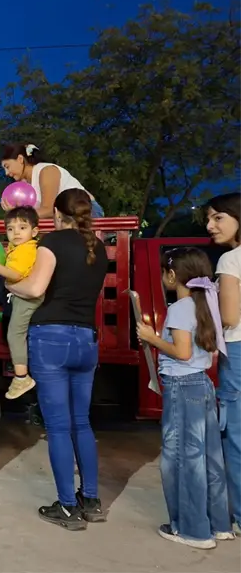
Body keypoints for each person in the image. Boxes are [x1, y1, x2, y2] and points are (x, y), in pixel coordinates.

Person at [7, 188, 108, 530]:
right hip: (86, 340)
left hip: (52, 338)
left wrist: (12, 286)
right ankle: (90, 500)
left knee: (59, 427)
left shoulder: (53, 243)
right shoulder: (99, 248)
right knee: (82, 422)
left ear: (57, 215)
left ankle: (67, 506)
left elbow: (35, 289)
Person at [136, 247, 232, 549]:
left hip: (182, 385)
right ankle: (219, 525)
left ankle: (192, 530)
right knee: (209, 458)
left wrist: (152, 338)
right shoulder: (205, 303)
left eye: (166, 271)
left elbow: (182, 352)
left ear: (173, 275)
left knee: (182, 459)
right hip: (202, 385)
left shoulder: (180, 308)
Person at [0, 206, 41, 399]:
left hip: (26, 297)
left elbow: (15, 273)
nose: (16, 233)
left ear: (34, 231)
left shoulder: (26, 251)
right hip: (22, 295)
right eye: (11, 229)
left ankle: (22, 377)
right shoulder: (20, 248)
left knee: (15, 334)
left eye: (22, 228)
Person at [205, 192, 241, 534]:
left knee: (235, 435)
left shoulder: (230, 261)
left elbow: (229, 317)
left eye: (218, 218)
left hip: (238, 349)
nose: (210, 225)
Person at [0, 143, 103, 219]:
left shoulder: (46, 171)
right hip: (64, 219)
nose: (6, 173)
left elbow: (49, 210)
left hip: (85, 211)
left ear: (20, 159)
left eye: (7, 166)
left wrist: (17, 214)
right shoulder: (26, 185)